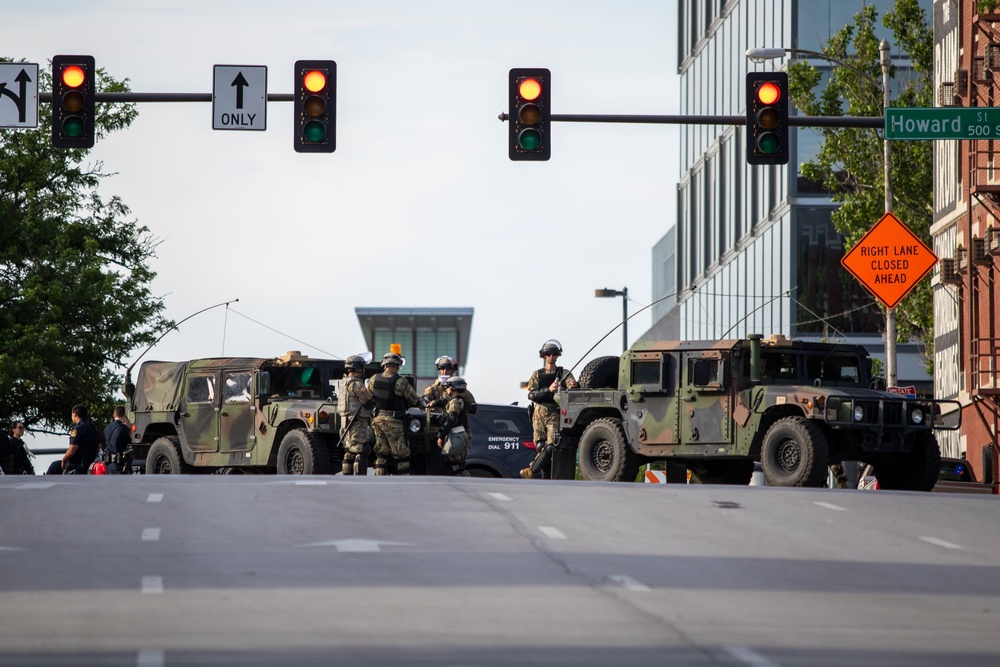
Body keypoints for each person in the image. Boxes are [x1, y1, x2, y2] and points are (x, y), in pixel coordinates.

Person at [521, 339, 578, 479]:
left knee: (551, 446)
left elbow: (572, 386)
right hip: (539, 412)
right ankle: (545, 479)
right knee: (540, 447)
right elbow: (531, 394)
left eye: (554, 354)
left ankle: (531, 471)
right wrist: (548, 389)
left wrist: (573, 385)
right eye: (548, 354)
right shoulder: (537, 374)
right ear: (544, 356)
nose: (551, 357)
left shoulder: (563, 373)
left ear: (557, 356)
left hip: (554, 412)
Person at [366, 352, 426, 475]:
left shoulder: (373, 379)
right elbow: (413, 400)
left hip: (377, 420)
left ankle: (379, 478)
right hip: (393, 422)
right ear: (397, 365)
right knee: (401, 454)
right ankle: (401, 482)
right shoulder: (400, 381)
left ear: (384, 365)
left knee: (382, 452)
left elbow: (368, 397)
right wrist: (424, 404)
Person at [337, 355, 377, 476]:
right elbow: (369, 402)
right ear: (359, 368)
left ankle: (347, 478)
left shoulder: (343, 383)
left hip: (346, 422)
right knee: (361, 451)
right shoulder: (356, 384)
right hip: (357, 422)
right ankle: (359, 479)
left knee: (349, 452)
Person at [435, 375, 472, 476]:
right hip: (462, 434)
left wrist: (441, 436)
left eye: (447, 387)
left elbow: (452, 419)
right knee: (460, 465)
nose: (446, 389)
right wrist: (435, 402)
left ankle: (459, 486)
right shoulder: (462, 400)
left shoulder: (455, 402)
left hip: (455, 435)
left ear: (452, 388)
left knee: (452, 465)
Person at [48, 405, 100, 475]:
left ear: (75, 414)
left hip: (77, 467)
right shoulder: (93, 428)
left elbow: (71, 451)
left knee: (54, 466)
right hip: (89, 465)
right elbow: (99, 447)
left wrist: (64, 460)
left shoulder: (78, 429)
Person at [102, 405, 134, 474]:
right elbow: (130, 445)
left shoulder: (106, 428)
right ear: (125, 415)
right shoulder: (124, 429)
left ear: (114, 415)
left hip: (107, 464)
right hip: (119, 465)